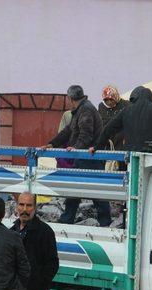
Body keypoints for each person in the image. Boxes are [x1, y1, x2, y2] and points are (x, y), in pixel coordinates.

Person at [43, 85, 112, 226]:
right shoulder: (80, 109)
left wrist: (76, 147)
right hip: (86, 157)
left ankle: (104, 221)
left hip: (90, 158)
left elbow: (86, 134)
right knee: (78, 189)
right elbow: (69, 130)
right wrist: (52, 143)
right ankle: (70, 218)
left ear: (70, 98)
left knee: (94, 191)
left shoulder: (85, 110)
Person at [94, 86, 152, 152]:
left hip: (131, 156)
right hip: (151, 155)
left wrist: (97, 147)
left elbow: (108, 129)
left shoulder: (126, 111)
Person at [97, 85, 130, 151]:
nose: (109, 102)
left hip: (121, 141)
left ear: (116, 97)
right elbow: (100, 123)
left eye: (111, 99)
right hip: (107, 140)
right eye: (106, 100)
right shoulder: (101, 106)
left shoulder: (126, 105)